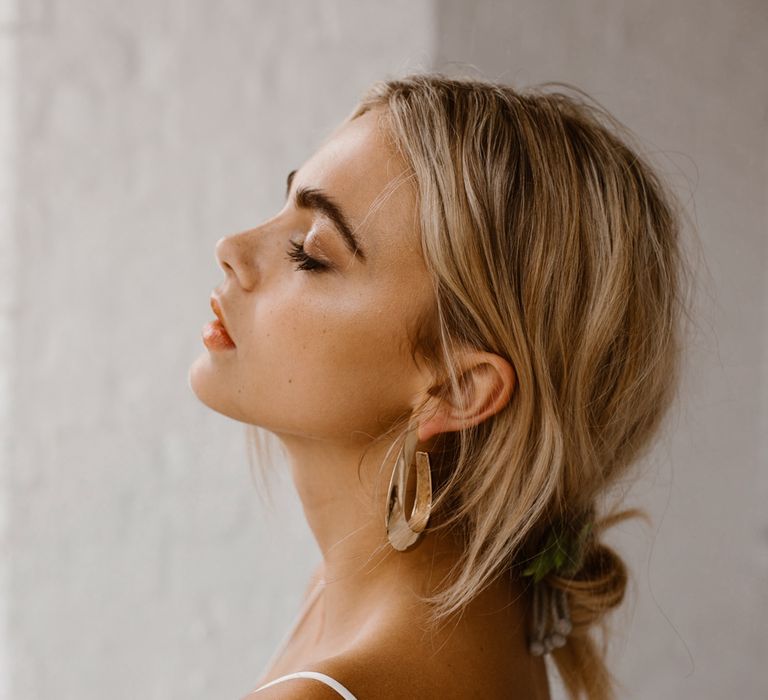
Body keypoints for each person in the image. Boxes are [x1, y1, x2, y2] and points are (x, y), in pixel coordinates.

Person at [188, 72, 690, 699]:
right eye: (284, 204)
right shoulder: (490, 613)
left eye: (311, 253)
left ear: (458, 388)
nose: (231, 247)